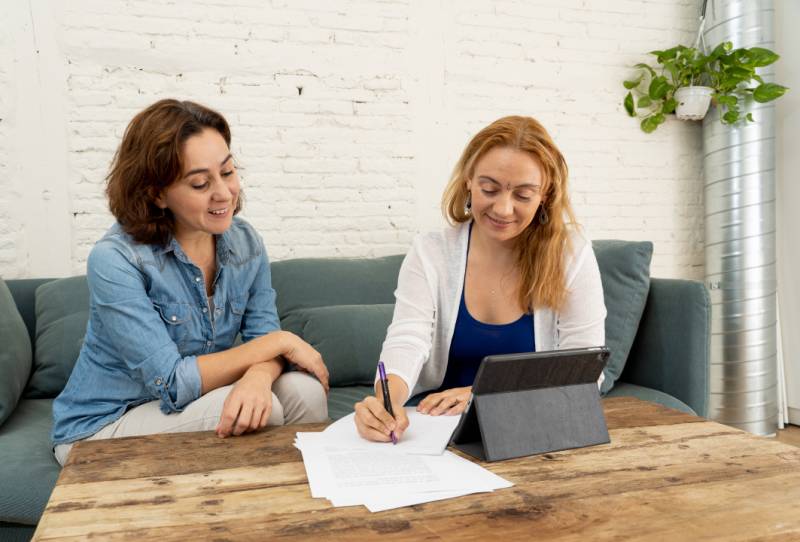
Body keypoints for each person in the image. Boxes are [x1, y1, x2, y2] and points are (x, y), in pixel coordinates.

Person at [52, 99, 329, 465]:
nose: (224, 193)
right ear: (156, 193)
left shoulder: (246, 243)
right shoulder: (116, 259)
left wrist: (257, 378)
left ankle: (290, 502)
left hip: (188, 406)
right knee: (258, 414)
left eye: (227, 172)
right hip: (105, 425)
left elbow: (265, 341)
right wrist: (280, 342)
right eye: (200, 183)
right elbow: (171, 382)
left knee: (303, 392)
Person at [354, 115, 607, 442]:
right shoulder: (431, 252)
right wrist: (387, 400)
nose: (503, 209)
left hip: (529, 427)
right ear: (469, 182)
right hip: (438, 429)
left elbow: (583, 370)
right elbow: (408, 337)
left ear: (545, 195)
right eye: (490, 188)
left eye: (523, 195)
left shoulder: (571, 254)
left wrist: (482, 396)